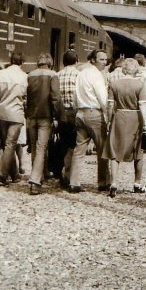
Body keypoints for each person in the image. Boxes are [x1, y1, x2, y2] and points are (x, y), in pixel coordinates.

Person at [102, 58, 146, 198]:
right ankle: (137, 183)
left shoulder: (114, 84)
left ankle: (114, 182)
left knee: (115, 150)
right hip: (136, 118)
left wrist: (109, 120)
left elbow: (110, 105)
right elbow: (142, 105)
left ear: (123, 69)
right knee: (138, 151)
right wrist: (145, 122)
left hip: (119, 116)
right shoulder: (140, 85)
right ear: (136, 69)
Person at [67, 49, 110, 193]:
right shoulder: (96, 75)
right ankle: (103, 182)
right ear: (93, 60)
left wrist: (76, 111)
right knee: (102, 149)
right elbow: (103, 99)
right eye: (101, 59)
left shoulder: (81, 74)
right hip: (94, 113)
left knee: (79, 150)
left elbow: (75, 95)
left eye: (105, 59)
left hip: (80, 113)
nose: (105, 62)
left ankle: (74, 182)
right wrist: (108, 116)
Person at [0, 52, 28, 186]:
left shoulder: (1, 74)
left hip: (2, 113)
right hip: (16, 114)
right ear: (22, 62)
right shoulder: (24, 77)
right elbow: (26, 95)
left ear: (11, 61)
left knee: (7, 144)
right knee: (10, 144)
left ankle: (15, 174)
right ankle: (2, 175)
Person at [26, 53, 62, 195]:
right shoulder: (53, 75)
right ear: (50, 62)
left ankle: (39, 176)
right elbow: (55, 97)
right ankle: (35, 181)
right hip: (45, 116)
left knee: (35, 147)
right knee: (41, 148)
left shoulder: (29, 75)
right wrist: (57, 116)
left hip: (31, 115)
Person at [57, 50, 80, 187]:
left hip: (61, 113)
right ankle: (68, 174)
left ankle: (61, 172)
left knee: (63, 143)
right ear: (76, 61)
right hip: (74, 112)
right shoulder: (79, 75)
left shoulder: (57, 75)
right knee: (73, 145)